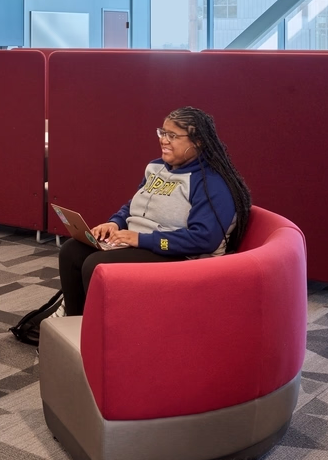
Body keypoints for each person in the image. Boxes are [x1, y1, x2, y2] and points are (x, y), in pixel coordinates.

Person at [57, 106, 251, 317]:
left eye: (173, 135)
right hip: (138, 243)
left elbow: (204, 239)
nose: (164, 140)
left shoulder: (211, 183)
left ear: (198, 141)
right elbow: (134, 205)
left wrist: (141, 240)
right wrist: (114, 223)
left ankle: (104, 336)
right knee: (72, 251)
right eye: (163, 132)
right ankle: (75, 324)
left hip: (181, 257)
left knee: (96, 265)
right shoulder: (156, 167)